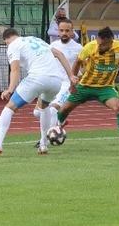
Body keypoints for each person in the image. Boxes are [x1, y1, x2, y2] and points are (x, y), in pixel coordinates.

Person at [0, 28, 75, 157]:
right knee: (44, 108)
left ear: (6, 40)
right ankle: (43, 145)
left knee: (9, 108)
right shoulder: (35, 39)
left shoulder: (13, 45)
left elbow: (14, 70)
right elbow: (59, 54)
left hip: (37, 78)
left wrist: (10, 89)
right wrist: (71, 75)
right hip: (56, 81)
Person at [34, 19, 83, 152]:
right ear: (58, 31)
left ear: (72, 32)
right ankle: (57, 125)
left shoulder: (79, 48)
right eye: (61, 30)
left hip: (67, 84)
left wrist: (77, 81)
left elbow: (84, 68)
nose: (64, 33)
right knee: (37, 112)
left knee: (54, 109)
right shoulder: (53, 46)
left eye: (67, 30)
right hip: (53, 82)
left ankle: (44, 141)